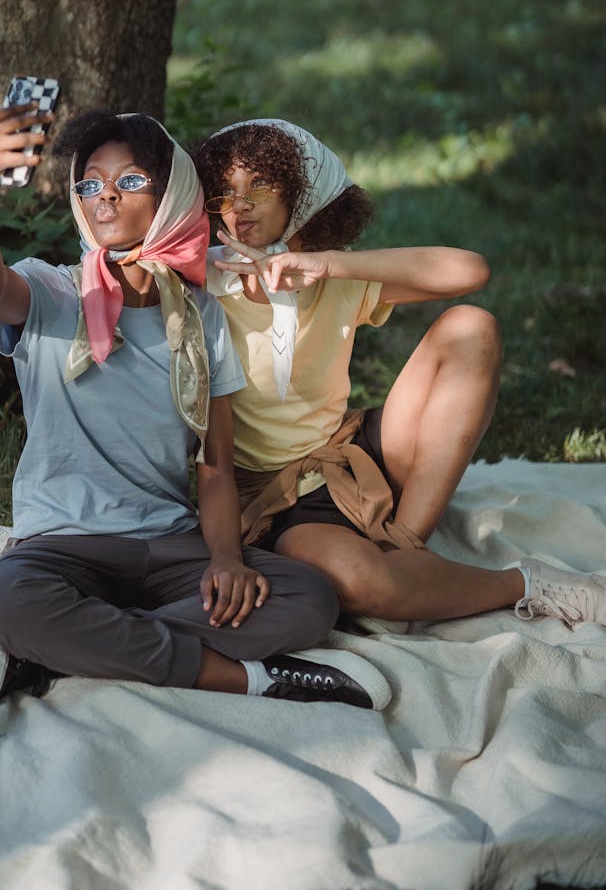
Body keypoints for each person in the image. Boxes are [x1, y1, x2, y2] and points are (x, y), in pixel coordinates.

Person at [0, 104, 392, 709]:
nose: (104, 197)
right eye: (89, 184)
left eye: (129, 181)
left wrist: (228, 559)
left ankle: (59, 650)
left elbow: (215, 466)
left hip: (168, 544)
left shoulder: (203, 315)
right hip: (62, 546)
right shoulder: (50, 291)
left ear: (172, 195)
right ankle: (249, 678)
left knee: (308, 597)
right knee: (5, 597)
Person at [192, 118, 606, 629]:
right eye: (224, 192)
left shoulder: (330, 273)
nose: (241, 205)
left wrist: (327, 265)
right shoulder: (200, 281)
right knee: (368, 584)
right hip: (265, 495)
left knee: (471, 328)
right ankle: (521, 583)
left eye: (259, 183)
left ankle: (409, 543)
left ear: (300, 192)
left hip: (347, 452)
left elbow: (470, 271)